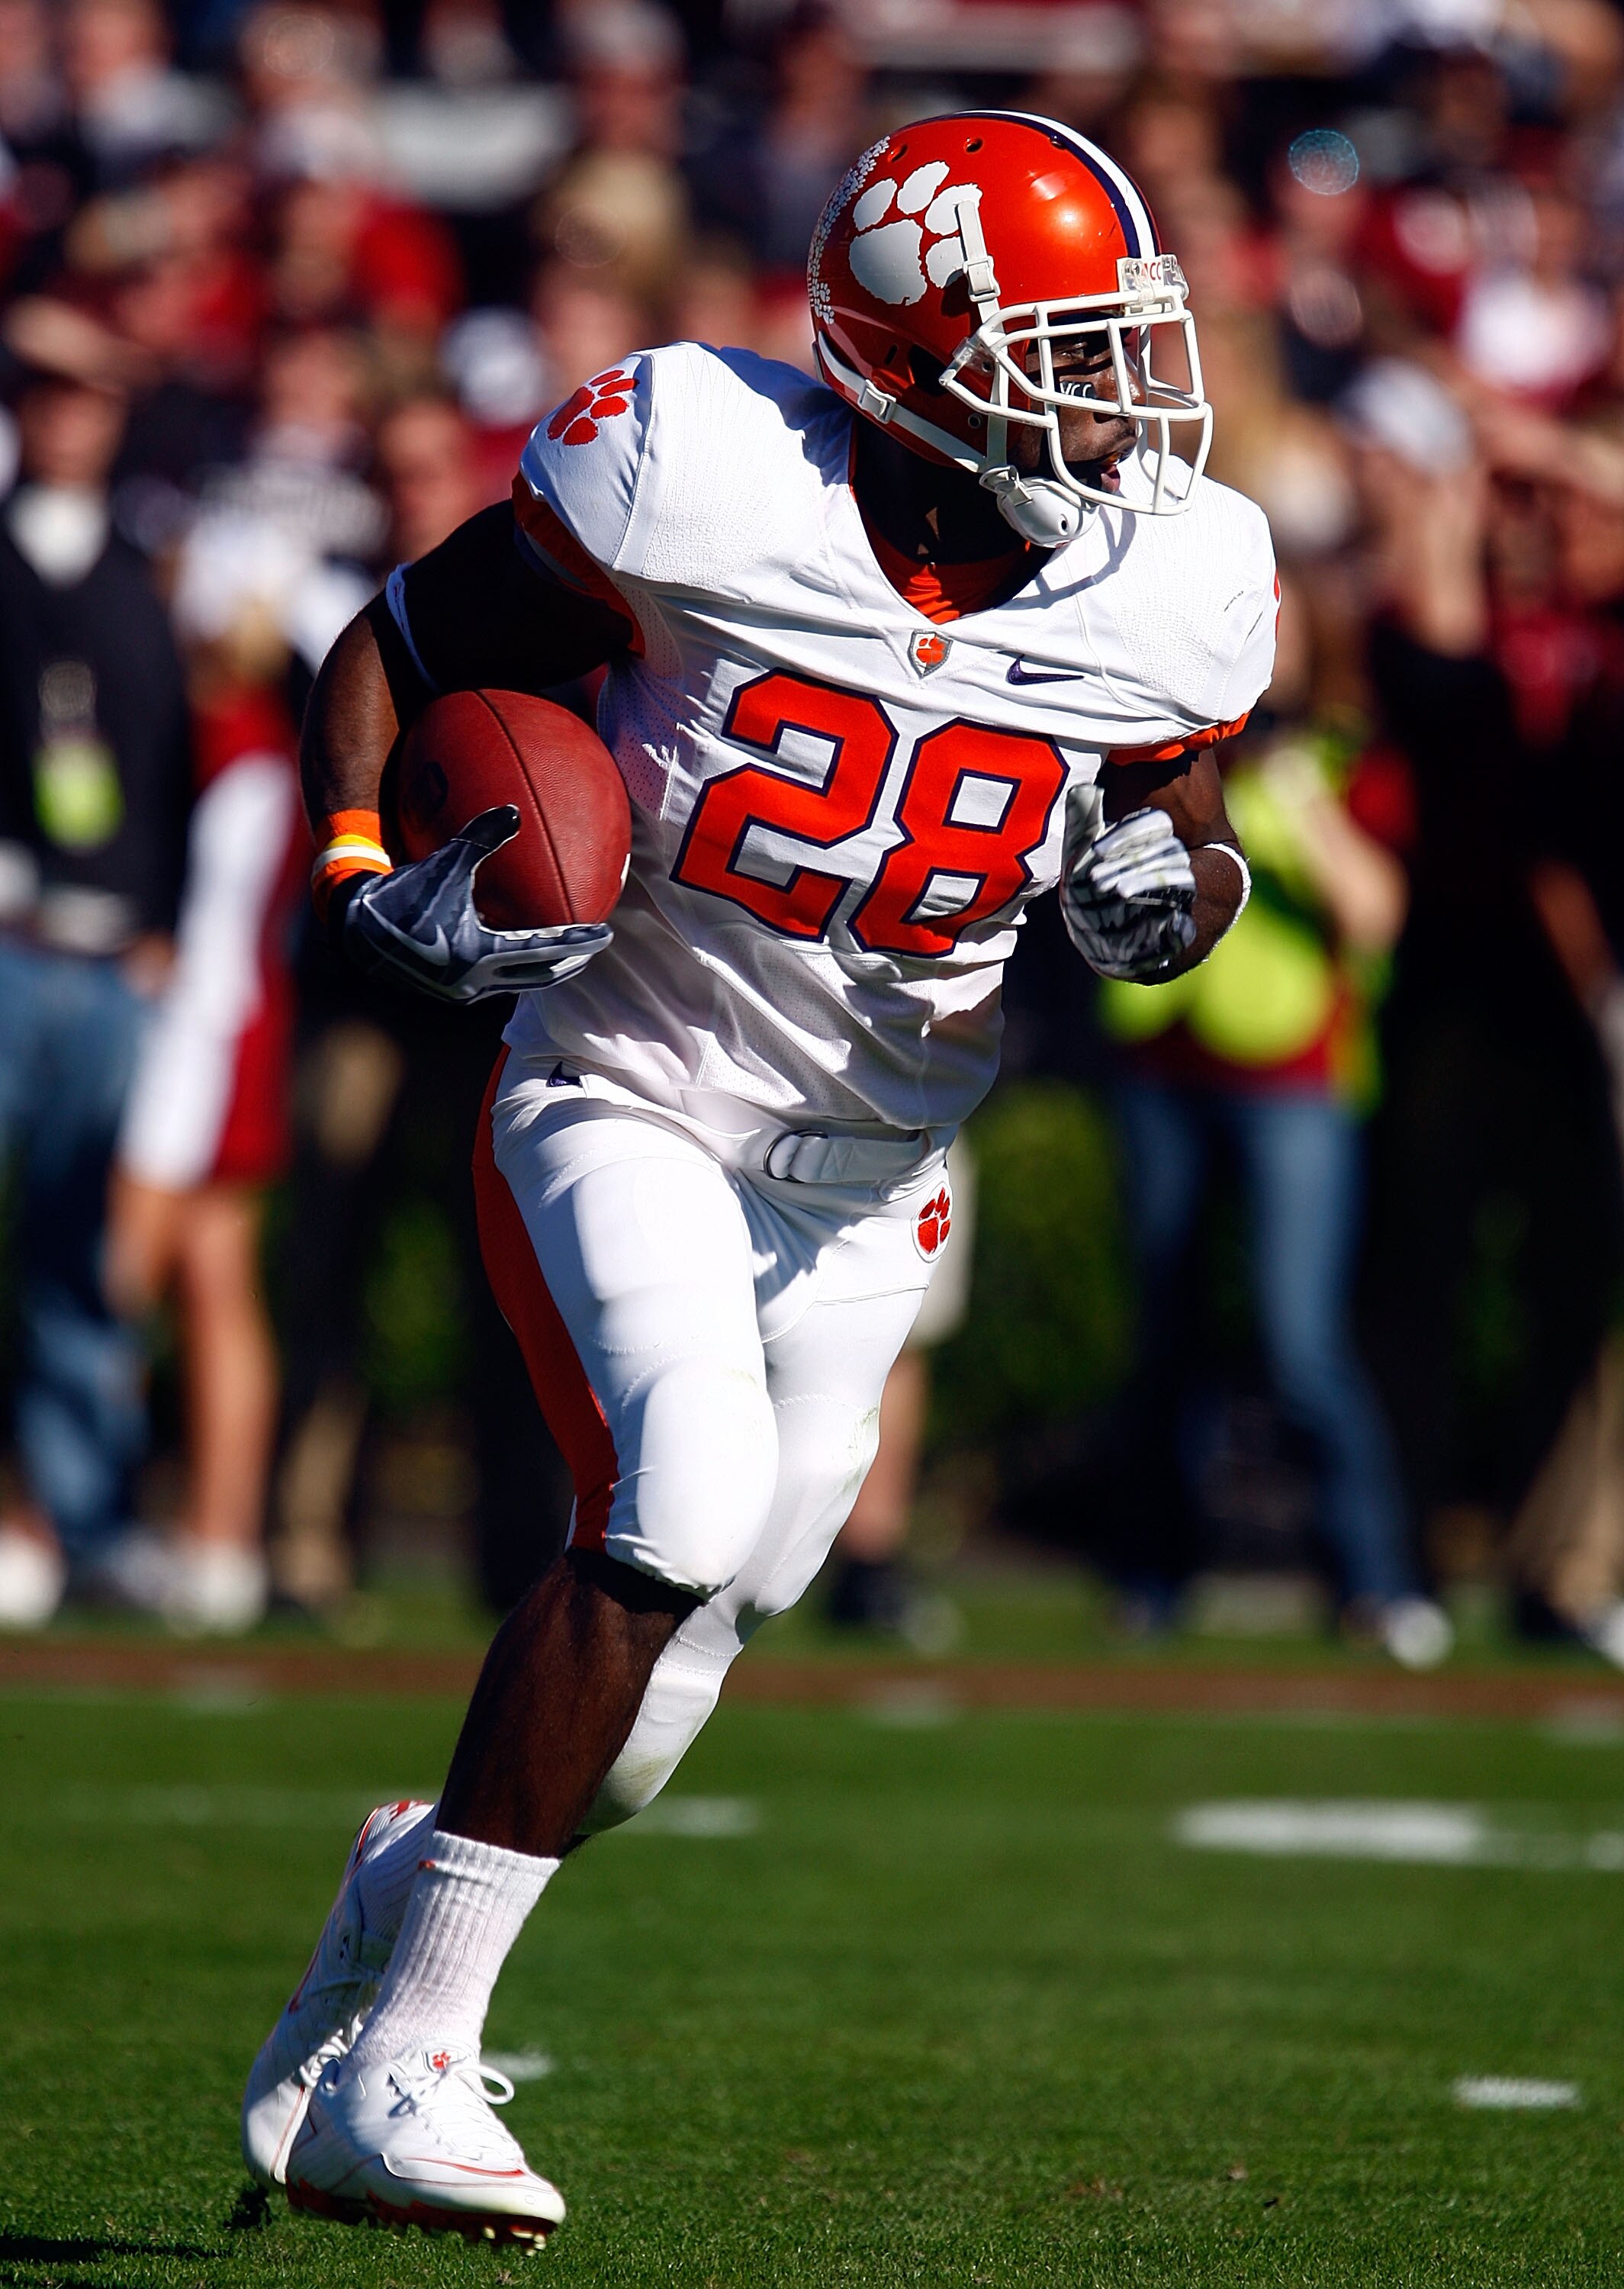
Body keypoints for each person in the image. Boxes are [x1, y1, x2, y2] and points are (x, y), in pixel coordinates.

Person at [242, 113, 1275, 2246]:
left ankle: (399, 1910)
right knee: (675, 1504)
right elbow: (403, 649)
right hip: (627, 1089)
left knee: (651, 1707)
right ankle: (412, 2073)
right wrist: (369, 877)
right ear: (905, 358)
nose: (1114, 403)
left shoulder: (1176, 576)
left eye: (1120, 346)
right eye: (1058, 353)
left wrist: (1176, 884)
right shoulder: (701, 461)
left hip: (875, 1181)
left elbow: (1182, 802)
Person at [0, 360, 189, 1626]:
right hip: (9, 940)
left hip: (108, 952)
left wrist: (162, 921)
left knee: (80, 1248)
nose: (74, 422)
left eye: (94, 400)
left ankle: (86, 1519)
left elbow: (167, 757)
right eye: (50, 398)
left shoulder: (133, 573)